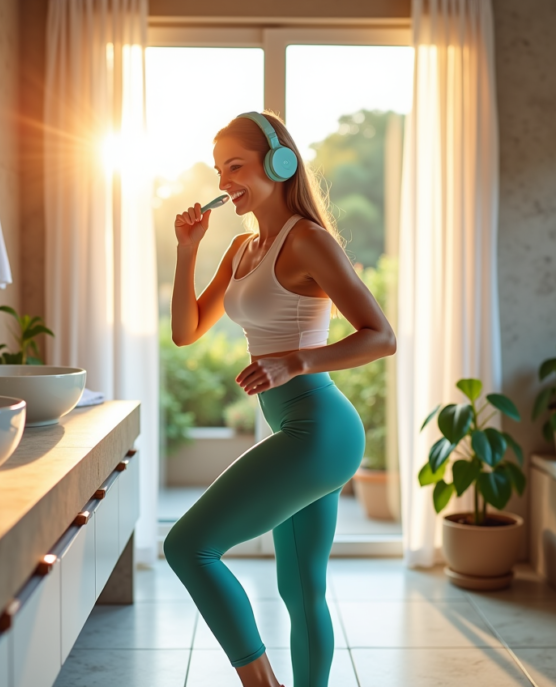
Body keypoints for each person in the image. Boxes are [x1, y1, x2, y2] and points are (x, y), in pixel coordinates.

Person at [163, 111, 396, 687]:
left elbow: (381, 336)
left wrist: (298, 360)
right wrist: (187, 250)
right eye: (220, 170)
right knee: (300, 588)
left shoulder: (308, 241)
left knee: (189, 547)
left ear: (279, 162)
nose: (224, 182)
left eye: (235, 166)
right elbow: (187, 331)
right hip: (297, 429)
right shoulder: (243, 247)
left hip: (319, 431)